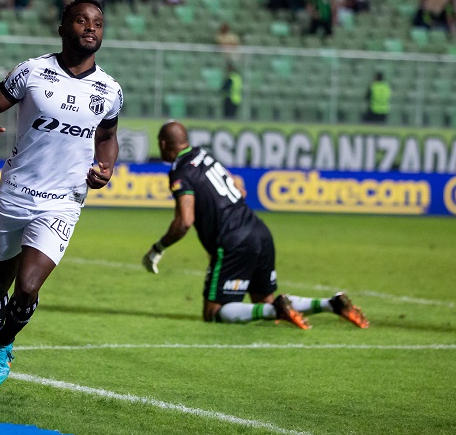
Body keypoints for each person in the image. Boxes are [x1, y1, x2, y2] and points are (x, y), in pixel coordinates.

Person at [0, 0, 122, 399]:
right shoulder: (31, 72)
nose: (91, 28)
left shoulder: (109, 90)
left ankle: (4, 345)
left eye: (98, 23)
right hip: (15, 194)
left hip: (63, 201)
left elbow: (107, 138)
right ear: (62, 28)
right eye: (82, 21)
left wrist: (105, 170)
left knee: (28, 286)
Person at [142, 121, 368, 328]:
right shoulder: (203, 154)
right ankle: (332, 304)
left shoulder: (180, 170)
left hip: (232, 241)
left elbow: (184, 222)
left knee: (213, 312)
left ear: (163, 144)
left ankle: (276, 310)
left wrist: (157, 249)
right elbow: (240, 190)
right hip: (258, 231)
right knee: (264, 300)